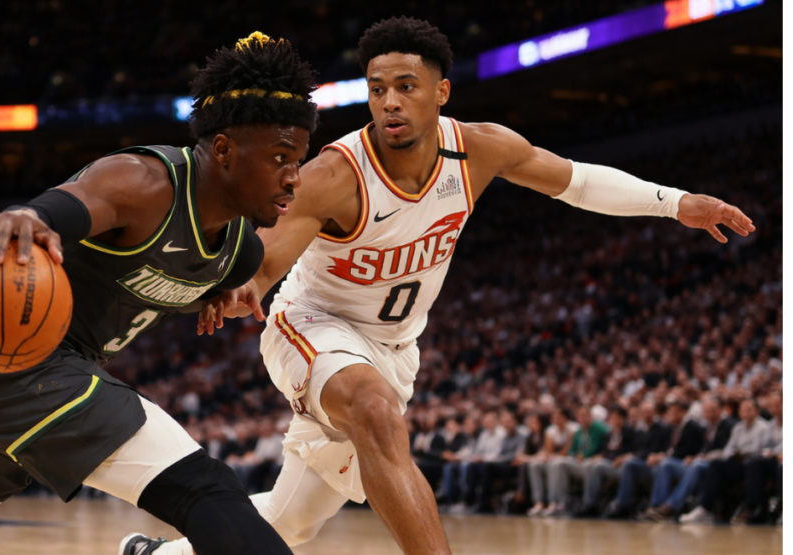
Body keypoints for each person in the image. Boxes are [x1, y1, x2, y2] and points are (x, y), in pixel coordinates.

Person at [139, 16, 754, 555]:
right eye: (378, 90)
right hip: (313, 324)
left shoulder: (480, 149)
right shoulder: (335, 174)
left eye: (406, 88)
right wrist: (247, 282)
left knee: (293, 521)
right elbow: (270, 260)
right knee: (375, 411)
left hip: (396, 349)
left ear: (441, 92)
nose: (390, 103)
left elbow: (576, 182)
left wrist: (676, 203)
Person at [0, 32, 318, 555]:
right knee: (205, 488)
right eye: (281, 158)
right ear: (225, 150)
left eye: (299, 159)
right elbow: (62, 207)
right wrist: (27, 215)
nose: (295, 178)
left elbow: (183, 275)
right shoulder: (143, 182)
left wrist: (210, 296)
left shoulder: (239, 255)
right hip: (8, 361)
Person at [681, 399, 772, 524]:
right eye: (743, 409)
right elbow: (728, 448)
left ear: (757, 411)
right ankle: (705, 508)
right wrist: (733, 454)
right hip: (738, 463)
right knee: (716, 465)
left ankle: (751, 508)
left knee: (753, 465)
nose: (745, 412)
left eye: (749, 409)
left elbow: (759, 449)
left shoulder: (763, 427)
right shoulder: (738, 427)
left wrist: (742, 452)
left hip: (753, 464)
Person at [643, 396, 734, 522]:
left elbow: (725, 451)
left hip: (714, 465)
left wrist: (699, 457)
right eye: (706, 410)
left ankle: (671, 506)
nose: (709, 413)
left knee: (696, 465)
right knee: (666, 464)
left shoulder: (728, 426)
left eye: (713, 410)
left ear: (721, 410)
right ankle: (657, 505)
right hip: (695, 460)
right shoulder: (705, 426)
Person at [608, 401, 703, 519]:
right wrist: (658, 455)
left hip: (683, 462)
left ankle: (658, 505)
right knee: (631, 464)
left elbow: (688, 450)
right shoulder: (669, 427)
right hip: (662, 461)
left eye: (673, 413)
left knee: (663, 465)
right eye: (670, 413)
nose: (670, 415)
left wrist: (660, 456)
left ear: (683, 412)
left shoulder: (690, 427)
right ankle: (623, 504)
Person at [543, 407, 610, 517]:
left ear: (590, 416)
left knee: (570, 464)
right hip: (578, 462)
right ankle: (558, 502)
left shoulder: (599, 429)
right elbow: (572, 450)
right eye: (580, 416)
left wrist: (585, 455)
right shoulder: (578, 431)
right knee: (557, 463)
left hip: (591, 462)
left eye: (585, 415)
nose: (582, 418)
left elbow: (597, 447)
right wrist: (574, 455)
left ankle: (587, 503)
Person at [574, 405, 635, 517]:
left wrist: (623, 457)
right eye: (612, 417)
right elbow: (606, 451)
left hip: (622, 463)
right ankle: (589, 503)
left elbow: (634, 450)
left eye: (616, 417)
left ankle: (618, 504)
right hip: (610, 462)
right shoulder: (609, 433)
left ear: (622, 419)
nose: (613, 420)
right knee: (592, 465)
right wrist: (600, 456)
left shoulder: (630, 432)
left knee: (599, 467)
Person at [527, 407, 579, 516]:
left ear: (565, 418)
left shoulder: (574, 428)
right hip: (556, 458)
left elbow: (568, 450)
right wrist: (548, 456)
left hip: (571, 459)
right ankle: (539, 502)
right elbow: (548, 449)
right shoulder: (550, 430)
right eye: (553, 417)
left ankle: (554, 502)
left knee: (555, 464)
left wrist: (552, 457)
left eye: (558, 417)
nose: (555, 419)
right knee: (535, 465)